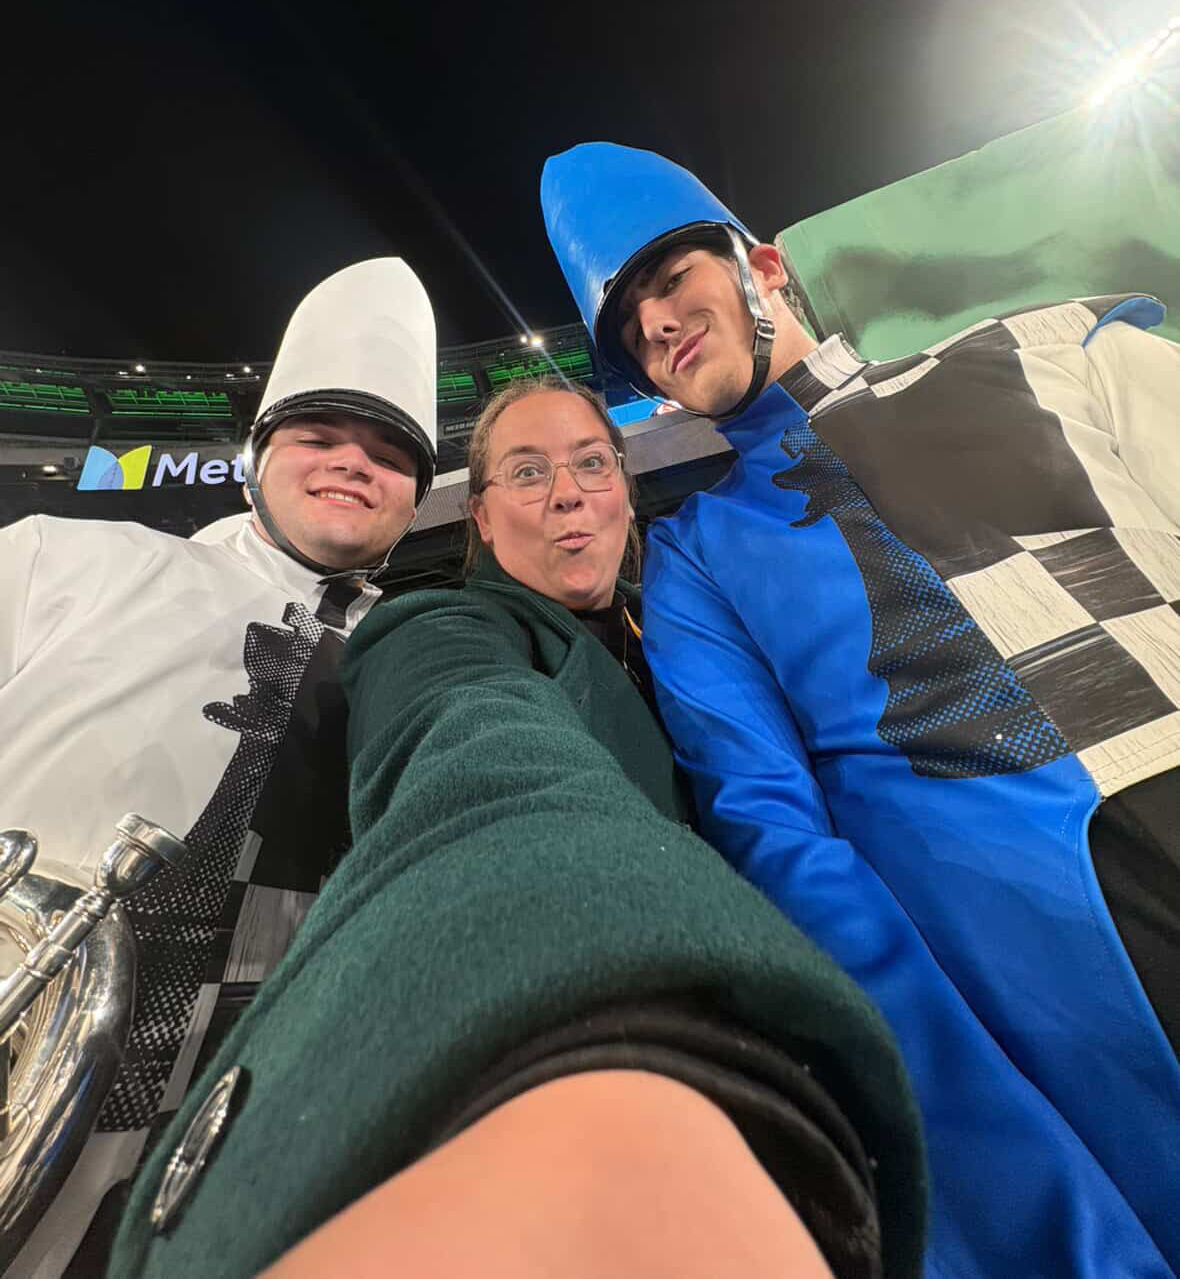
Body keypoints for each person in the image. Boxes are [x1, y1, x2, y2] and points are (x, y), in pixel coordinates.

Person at [106, 376, 928, 1279]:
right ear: (483, 518)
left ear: (624, 489)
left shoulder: (692, 626)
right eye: (528, 472)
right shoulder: (439, 625)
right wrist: (594, 1037)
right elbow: (476, 747)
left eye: (590, 464)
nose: (567, 493)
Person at [541, 140, 1180, 1279]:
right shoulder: (691, 560)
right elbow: (775, 835)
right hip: (1058, 967)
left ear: (764, 266)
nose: (657, 324)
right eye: (630, 328)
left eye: (669, 278)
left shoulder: (1061, 346)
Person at [0, 257, 437, 1279]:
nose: (353, 462)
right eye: (319, 435)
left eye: (389, 454)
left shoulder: (427, 656)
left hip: (264, 1169)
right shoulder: (55, 559)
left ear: (417, 500)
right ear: (253, 459)